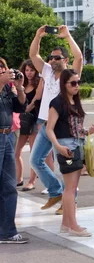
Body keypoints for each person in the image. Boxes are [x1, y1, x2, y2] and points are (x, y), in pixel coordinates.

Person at [29, 25, 83, 213]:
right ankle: (55, 192)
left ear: (65, 60)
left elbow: (79, 58)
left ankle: (70, 202)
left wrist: (67, 36)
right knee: (35, 161)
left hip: (61, 127)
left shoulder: (70, 77)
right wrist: (38, 35)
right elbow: (34, 55)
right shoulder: (47, 72)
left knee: (64, 168)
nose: (52, 60)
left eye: (57, 58)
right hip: (44, 124)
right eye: (51, 57)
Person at [46, 69, 94, 237]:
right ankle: (73, 225)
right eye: (73, 83)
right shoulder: (57, 102)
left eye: (78, 82)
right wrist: (58, 147)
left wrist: (87, 131)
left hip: (77, 145)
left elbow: (76, 128)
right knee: (70, 188)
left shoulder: (75, 101)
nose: (77, 86)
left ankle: (66, 224)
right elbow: (49, 129)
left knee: (72, 187)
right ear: (64, 84)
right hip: (67, 147)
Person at [0, 58, 27, 244]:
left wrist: (20, 86)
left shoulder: (8, 88)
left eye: (4, 68)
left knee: (9, 186)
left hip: (8, 136)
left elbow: (20, 106)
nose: (3, 71)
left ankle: (8, 231)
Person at [15, 60, 43, 191]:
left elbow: (34, 100)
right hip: (22, 120)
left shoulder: (39, 84)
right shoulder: (21, 84)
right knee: (16, 152)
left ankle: (31, 181)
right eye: (27, 70)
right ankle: (19, 178)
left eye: (32, 70)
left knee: (33, 153)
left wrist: (25, 109)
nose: (29, 73)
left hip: (34, 119)